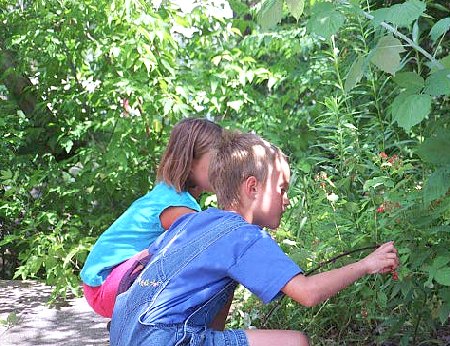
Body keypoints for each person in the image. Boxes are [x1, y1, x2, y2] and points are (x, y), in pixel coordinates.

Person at [110, 131, 399, 346]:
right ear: (253, 188)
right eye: (282, 189)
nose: (286, 201)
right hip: (165, 339)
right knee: (295, 342)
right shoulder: (241, 235)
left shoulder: (192, 222)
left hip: (126, 333)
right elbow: (308, 293)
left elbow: (214, 316)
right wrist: (367, 264)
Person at [80, 117, 223, 318]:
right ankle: (141, 326)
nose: (224, 167)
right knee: (199, 254)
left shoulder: (168, 192)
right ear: (191, 162)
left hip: (104, 283)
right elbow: (216, 239)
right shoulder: (177, 207)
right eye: (218, 159)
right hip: (105, 286)